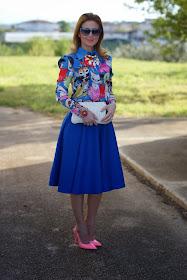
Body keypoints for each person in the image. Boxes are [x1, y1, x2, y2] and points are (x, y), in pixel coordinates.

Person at [49, 13, 125, 250]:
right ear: (78, 32)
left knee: (97, 177)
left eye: (95, 31)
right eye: (86, 30)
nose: (90, 35)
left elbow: (108, 91)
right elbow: (60, 93)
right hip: (79, 126)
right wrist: (81, 111)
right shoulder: (68, 61)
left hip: (101, 126)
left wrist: (112, 103)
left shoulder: (106, 61)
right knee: (80, 178)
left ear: (100, 34)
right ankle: (80, 226)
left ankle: (91, 226)